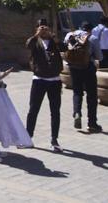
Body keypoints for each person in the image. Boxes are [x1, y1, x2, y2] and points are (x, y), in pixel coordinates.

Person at [25, 23, 64, 151]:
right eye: (41, 28)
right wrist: (36, 35)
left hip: (54, 80)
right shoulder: (35, 41)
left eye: (46, 28)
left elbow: (64, 48)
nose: (44, 30)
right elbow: (27, 45)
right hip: (39, 80)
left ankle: (54, 140)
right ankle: (28, 137)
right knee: (33, 109)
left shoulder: (54, 41)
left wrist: (54, 37)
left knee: (55, 111)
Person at [63, 22, 102, 133]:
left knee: (77, 92)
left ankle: (77, 112)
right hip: (88, 68)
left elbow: (66, 49)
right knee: (91, 95)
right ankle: (92, 123)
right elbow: (99, 56)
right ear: (90, 30)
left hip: (74, 68)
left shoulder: (70, 35)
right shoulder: (92, 38)